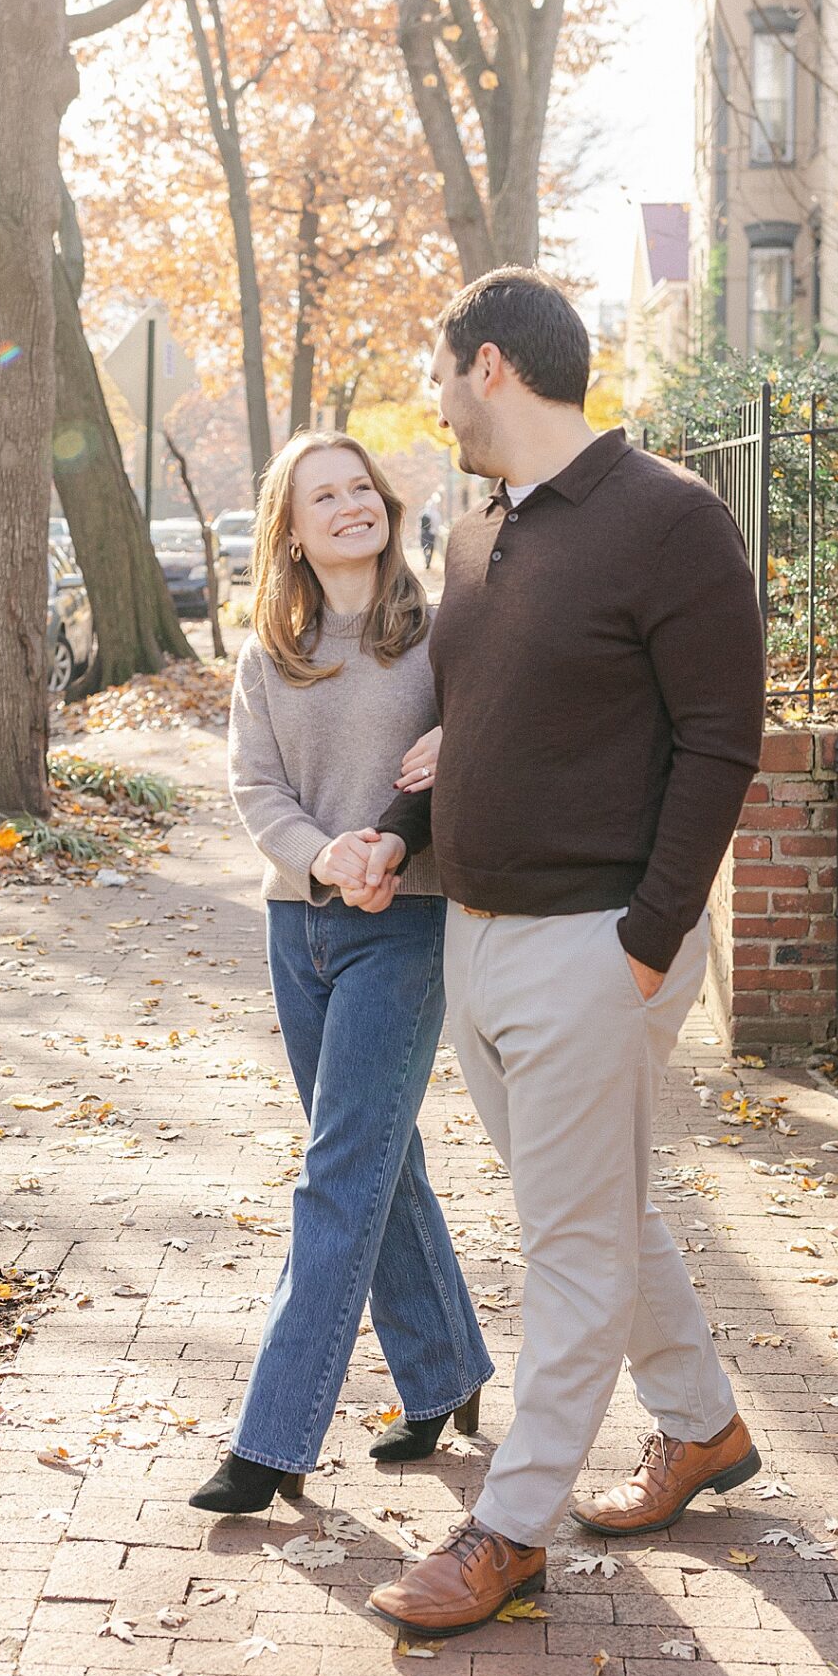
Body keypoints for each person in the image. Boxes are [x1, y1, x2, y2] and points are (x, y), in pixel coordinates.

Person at [325, 266, 766, 1637]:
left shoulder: (671, 522)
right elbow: (474, 713)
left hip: (595, 938)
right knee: (598, 1209)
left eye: (438, 370)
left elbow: (718, 742)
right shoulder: (478, 531)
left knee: (568, 1243)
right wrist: (403, 824)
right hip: (478, 931)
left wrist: (647, 939)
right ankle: (697, 1426)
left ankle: (506, 1529)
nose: (432, 396)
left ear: (494, 366)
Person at [189, 432, 492, 1516]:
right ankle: (448, 1370)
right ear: (294, 527)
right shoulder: (271, 653)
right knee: (376, 1161)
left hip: (404, 930)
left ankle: (271, 1441)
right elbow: (254, 787)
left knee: (335, 1174)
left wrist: (430, 788)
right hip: (300, 930)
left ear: (384, 504)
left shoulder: (440, 633)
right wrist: (324, 854)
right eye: (325, 494)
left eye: (361, 486)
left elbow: (492, 730)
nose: (350, 504)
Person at [418, 494, 442, 569]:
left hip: (424, 533)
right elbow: (438, 524)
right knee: (431, 547)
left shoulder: (423, 512)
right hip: (432, 533)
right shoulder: (436, 514)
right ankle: (429, 560)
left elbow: (419, 524)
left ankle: (426, 557)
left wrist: (419, 532)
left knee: (424, 546)